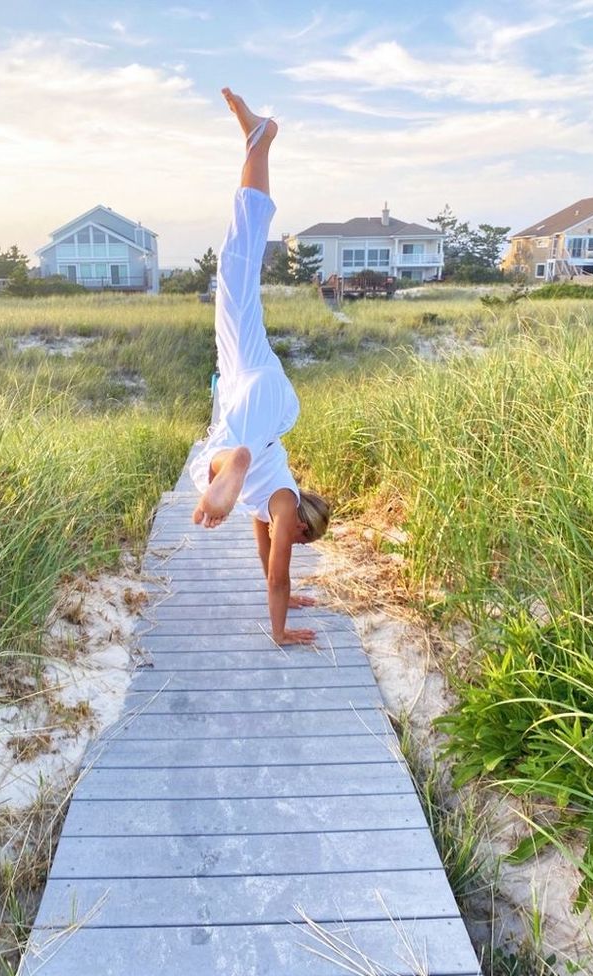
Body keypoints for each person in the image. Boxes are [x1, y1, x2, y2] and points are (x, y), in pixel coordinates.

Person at [189, 88, 331, 647]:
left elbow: (264, 557)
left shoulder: (272, 502)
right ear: (300, 523)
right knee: (236, 268)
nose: (291, 543)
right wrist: (281, 630)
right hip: (254, 414)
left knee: (235, 273)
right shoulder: (281, 503)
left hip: (259, 403)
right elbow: (277, 572)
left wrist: (287, 594)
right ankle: (260, 139)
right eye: (300, 538)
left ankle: (257, 140)